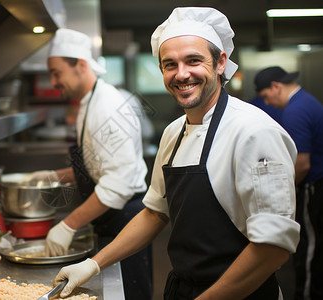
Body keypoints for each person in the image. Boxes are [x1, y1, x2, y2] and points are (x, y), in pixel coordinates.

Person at [51, 7, 301, 300]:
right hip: (183, 288)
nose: (181, 74)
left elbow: (273, 248)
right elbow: (156, 213)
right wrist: (94, 264)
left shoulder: (254, 132)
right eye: (170, 64)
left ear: (221, 62)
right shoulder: (173, 132)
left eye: (193, 60)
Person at [25, 28, 153, 299]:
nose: (52, 81)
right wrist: (53, 176)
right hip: (111, 216)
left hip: (125, 218)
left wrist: (68, 224)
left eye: (56, 73)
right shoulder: (89, 102)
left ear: (81, 65)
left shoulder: (105, 107)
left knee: (130, 294)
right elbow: (98, 164)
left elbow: (116, 183)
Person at [254, 66, 323, 300]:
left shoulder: (295, 110)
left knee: (309, 247)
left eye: (266, 96)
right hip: (316, 185)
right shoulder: (307, 101)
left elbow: (302, 164)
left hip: (312, 188)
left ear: (276, 86)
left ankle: (306, 294)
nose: (269, 103)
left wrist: (281, 194)